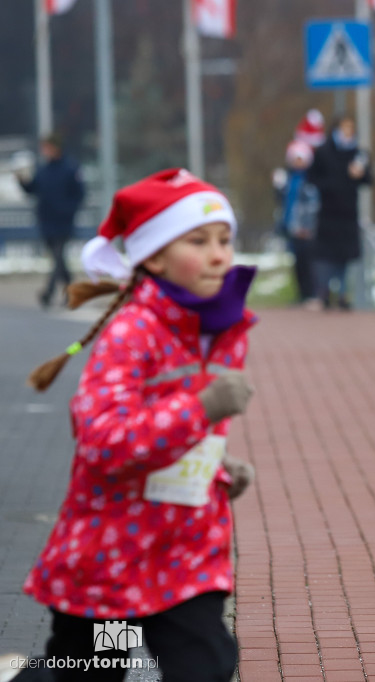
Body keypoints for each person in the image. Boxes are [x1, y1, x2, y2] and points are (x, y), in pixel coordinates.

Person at [16, 168, 257, 681]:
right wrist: (202, 410)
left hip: (181, 562)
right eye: (199, 240)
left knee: (206, 666)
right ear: (153, 256)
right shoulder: (132, 333)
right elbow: (103, 442)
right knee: (91, 672)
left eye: (225, 239)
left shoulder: (216, 328)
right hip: (113, 566)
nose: (219, 254)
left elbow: (171, 439)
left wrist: (217, 469)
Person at [305, 114, 372, 310]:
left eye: (351, 128)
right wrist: (332, 186)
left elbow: (368, 179)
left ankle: (343, 294)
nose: (347, 132)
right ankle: (324, 292)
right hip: (328, 212)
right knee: (325, 256)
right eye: (344, 127)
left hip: (348, 213)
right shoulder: (324, 151)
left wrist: (360, 175)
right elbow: (313, 178)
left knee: (345, 257)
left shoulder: (358, 153)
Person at [17, 134, 85, 309]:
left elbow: (79, 193)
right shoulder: (43, 169)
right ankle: (72, 293)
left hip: (63, 221)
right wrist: (22, 181)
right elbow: (33, 189)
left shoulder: (70, 168)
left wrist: (68, 210)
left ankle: (49, 292)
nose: (44, 151)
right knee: (58, 260)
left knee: (58, 257)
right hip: (46, 221)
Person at [279, 139, 320, 306]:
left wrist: (307, 226)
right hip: (292, 227)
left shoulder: (311, 179)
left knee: (309, 262)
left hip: (305, 229)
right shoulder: (288, 179)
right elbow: (285, 203)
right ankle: (302, 295)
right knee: (298, 263)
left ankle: (313, 295)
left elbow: (312, 205)